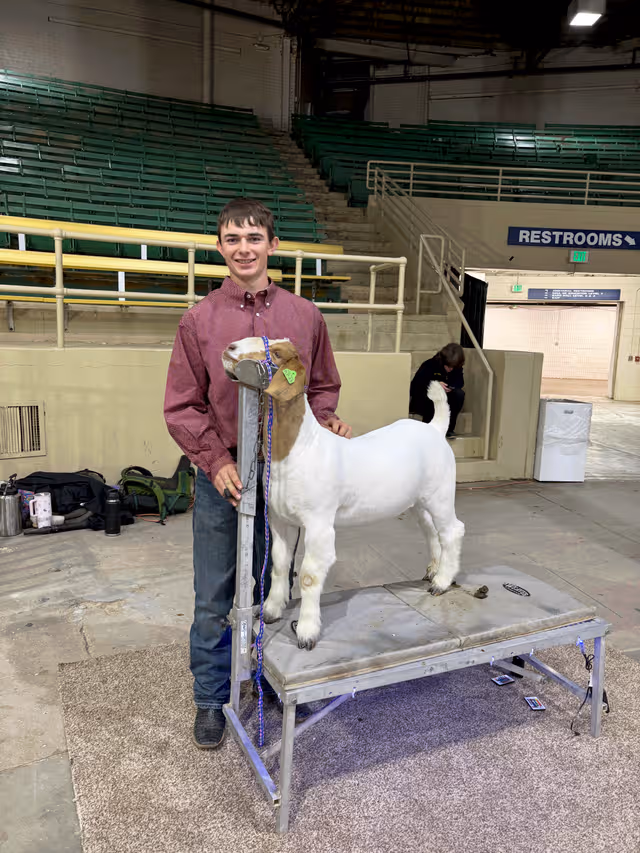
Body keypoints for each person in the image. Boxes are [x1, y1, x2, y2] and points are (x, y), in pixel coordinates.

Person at [164, 198, 351, 750]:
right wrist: (216, 462)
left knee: (276, 584)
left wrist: (328, 421)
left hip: (287, 477)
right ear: (219, 247)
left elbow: (319, 387)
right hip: (224, 477)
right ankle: (210, 697)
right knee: (214, 593)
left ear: (272, 245)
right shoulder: (199, 320)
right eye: (232, 239)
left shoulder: (304, 316)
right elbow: (183, 405)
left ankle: (267, 677)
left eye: (253, 238)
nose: (243, 248)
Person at [409, 342, 465, 438]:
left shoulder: (456, 368)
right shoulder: (429, 365)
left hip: (445, 398)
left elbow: (460, 382)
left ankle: (449, 429)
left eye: (453, 367)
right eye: (448, 366)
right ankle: (429, 427)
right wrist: (435, 384)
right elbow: (415, 386)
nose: (450, 369)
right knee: (434, 392)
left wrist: (451, 387)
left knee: (459, 394)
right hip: (425, 399)